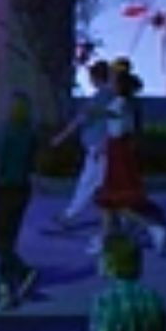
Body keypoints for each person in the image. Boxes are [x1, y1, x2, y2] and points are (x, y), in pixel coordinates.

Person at [97, 64, 166, 252]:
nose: (110, 84)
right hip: (120, 150)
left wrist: (94, 111)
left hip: (118, 152)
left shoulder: (120, 103)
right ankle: (105, 241)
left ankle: (151, 227)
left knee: (116, 200)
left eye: (113, 81)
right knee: (108, 201)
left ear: (119, 85)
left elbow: (111, 121)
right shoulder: (129, 103)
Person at [0, 90, 42, 310]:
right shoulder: (30, 134)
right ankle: (8, 281)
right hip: (22, 188)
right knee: (9, 236)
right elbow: (32, 162)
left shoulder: (3, 131)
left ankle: (22, 273)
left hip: (4, 188)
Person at [50, 61, 116, 235]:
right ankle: (116, 221)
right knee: (100, 185)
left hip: (98, 149)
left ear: (96, 78)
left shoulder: (101, 98)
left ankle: (69, 216)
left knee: (88, 183)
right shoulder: (109, 96)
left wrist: (60, 138)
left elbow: (80, 119)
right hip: (101, 148)